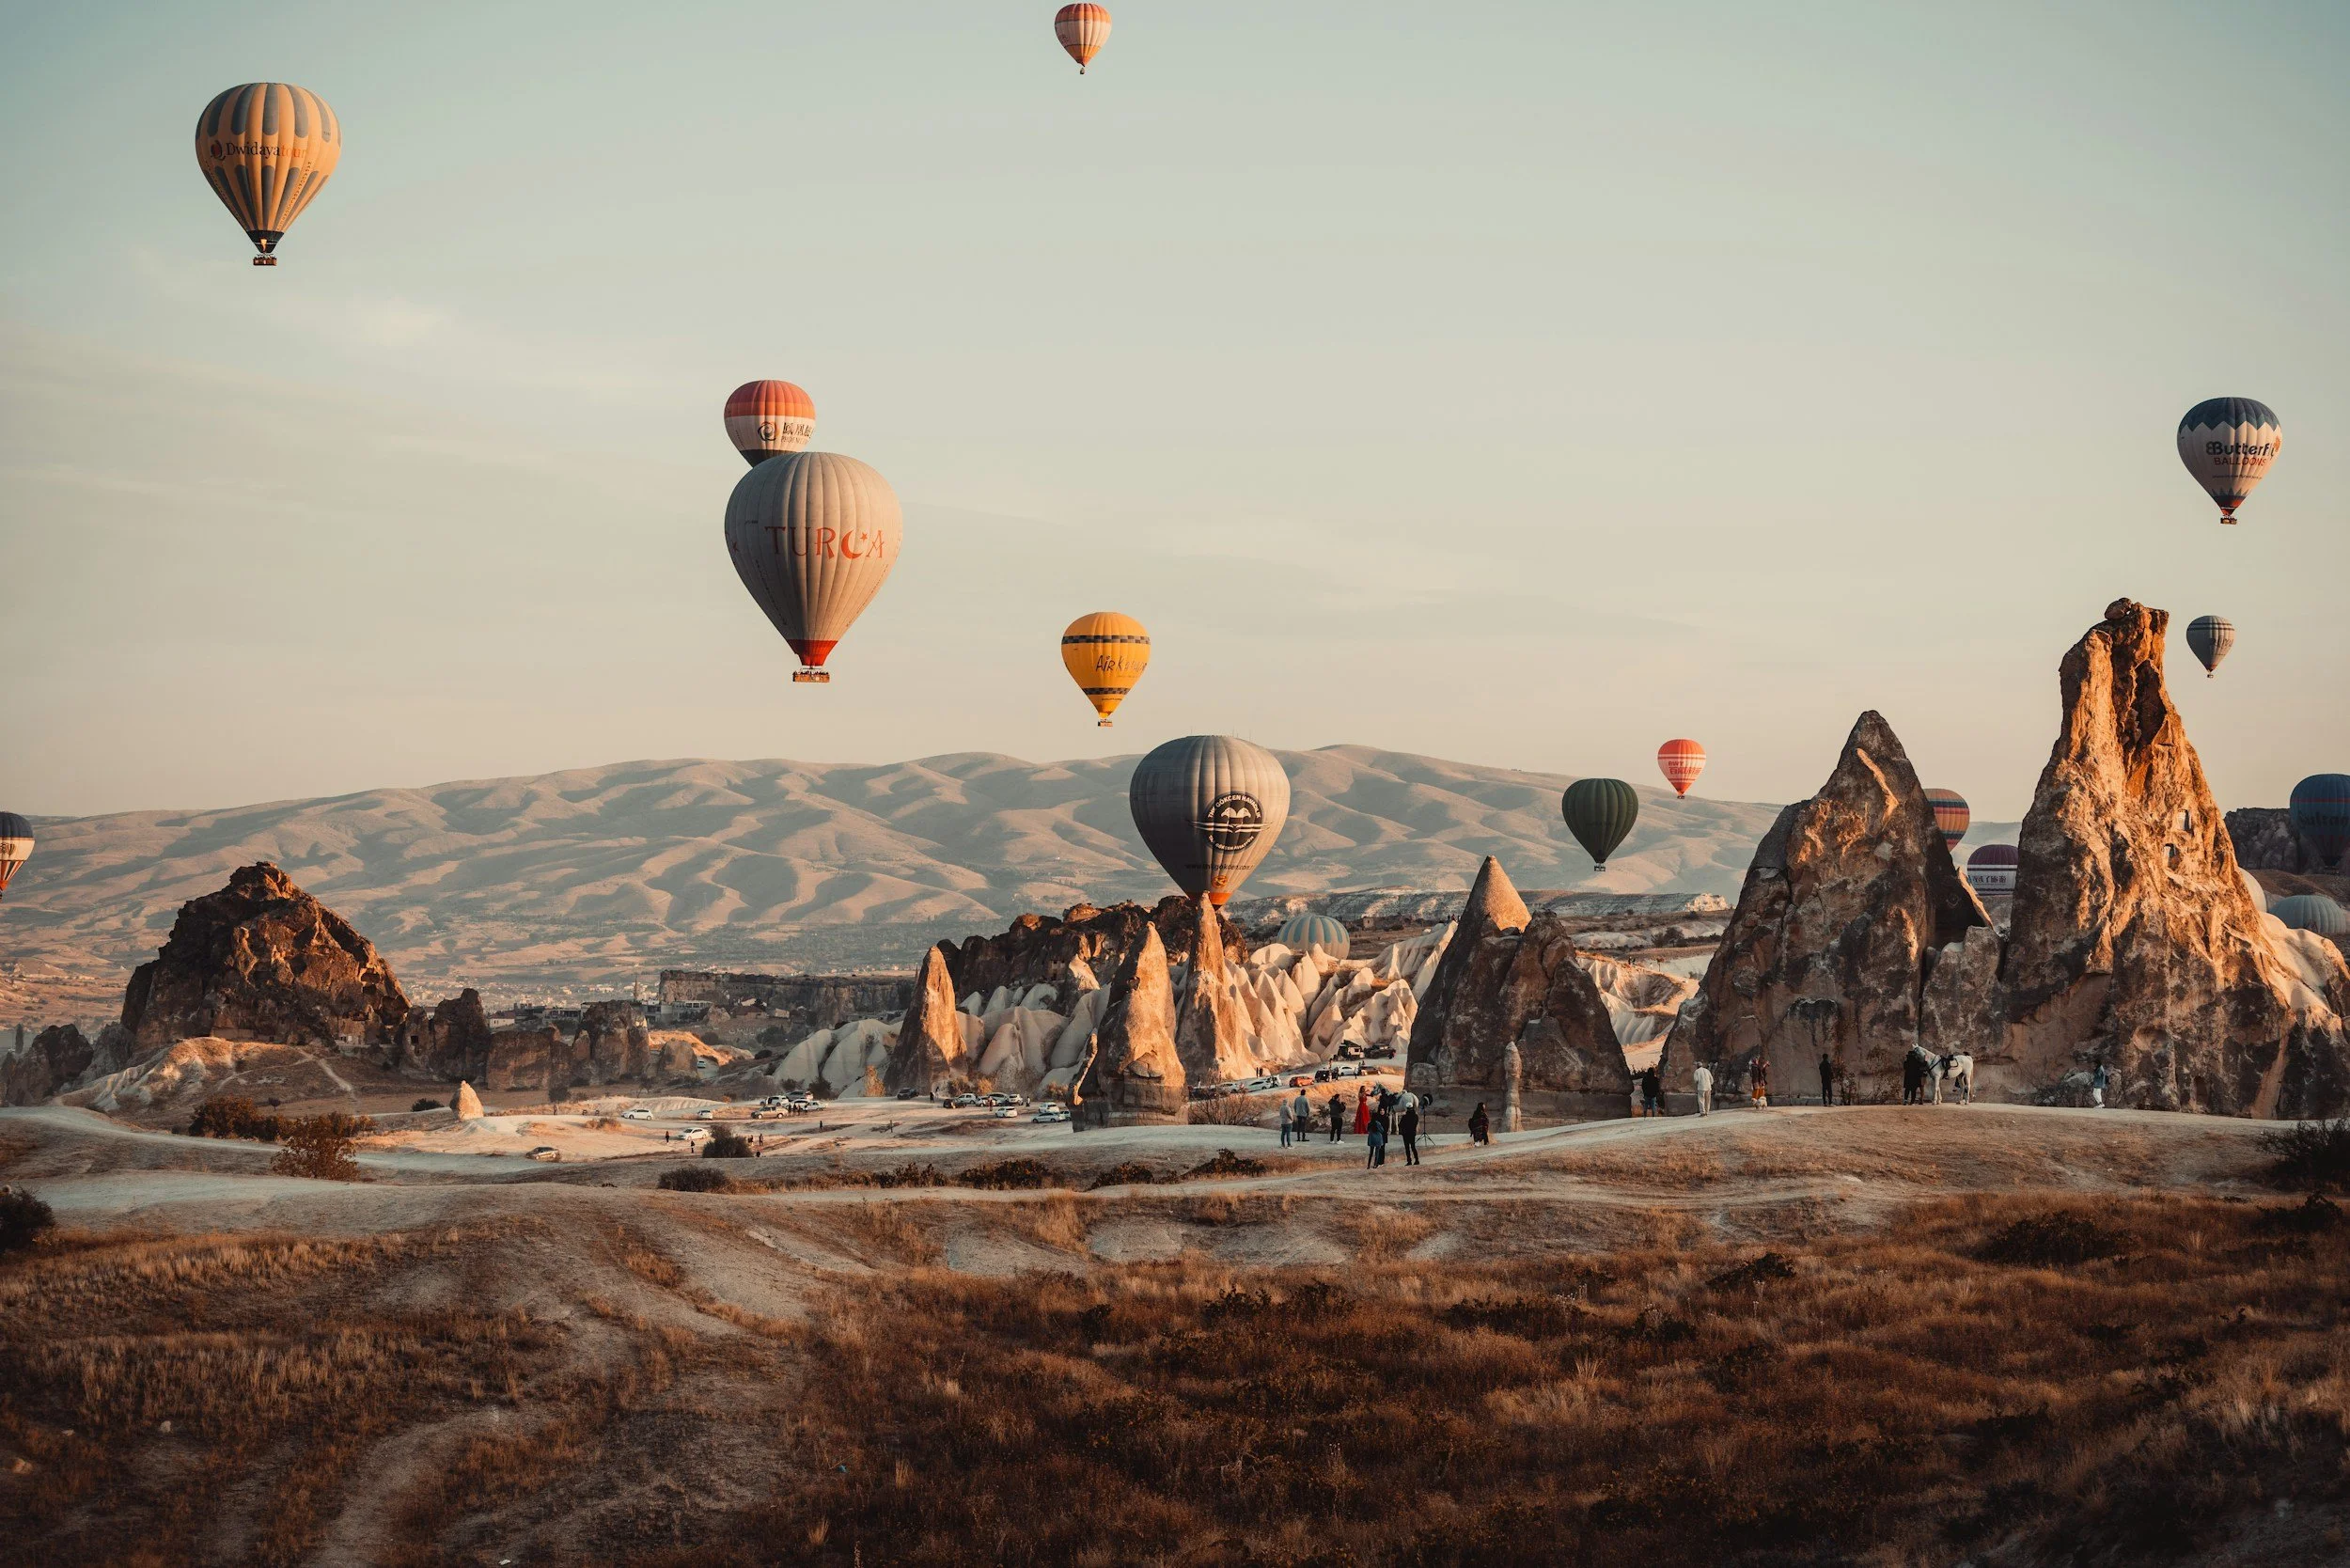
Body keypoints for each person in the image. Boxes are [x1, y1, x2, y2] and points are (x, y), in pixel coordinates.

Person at [1367, 1103, 1389, 1168]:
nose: (1382, 1112)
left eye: (1383, 1110)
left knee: (1382, 1149)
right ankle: (1377, 1163)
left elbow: (1386, 1128)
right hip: (1378, 1136)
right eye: (1381, 1110)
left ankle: (1381, 1162)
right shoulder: (1377, 1119)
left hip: (1383, 1135)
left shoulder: (1386, 1118)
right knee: (1378, 1150)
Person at [1399, 1100, 1421, 1165]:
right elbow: (1415, 1124)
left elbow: (1400, 1124)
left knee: (1407, 1148)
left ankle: (1409, 1161)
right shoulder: (1416, 1116)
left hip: (1406, 1134)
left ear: (1407, 1108)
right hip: (1412, 1133)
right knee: (1413, 1147)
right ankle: (1417, 1160)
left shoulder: (1404, 1117)